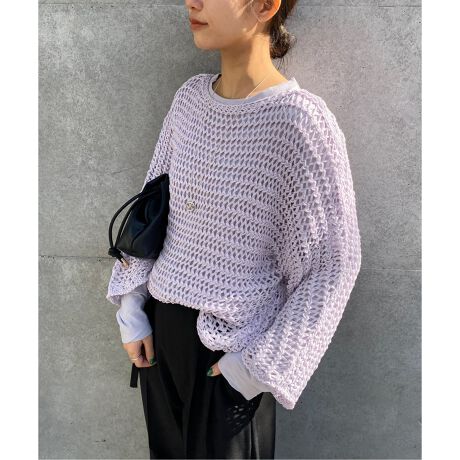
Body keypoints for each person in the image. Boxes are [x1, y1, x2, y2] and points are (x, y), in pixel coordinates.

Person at [106, 0, 362, 458]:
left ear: (264, 5)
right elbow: (150, 209)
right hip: (160, 344)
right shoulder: (189, 100)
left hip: (230, 356)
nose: (192, 2)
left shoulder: (300, 121)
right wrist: (132, 309)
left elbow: (333, 264)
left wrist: (256, 370)